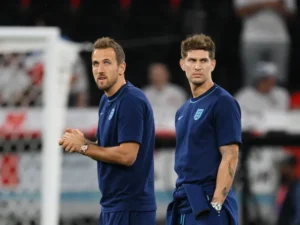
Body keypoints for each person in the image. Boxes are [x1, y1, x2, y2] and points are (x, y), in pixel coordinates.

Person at [58, 37, 156, 225]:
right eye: (95, 64)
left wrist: (84, 148)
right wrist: (84, 142)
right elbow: (107, 149)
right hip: (112, 206)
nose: (100, 69)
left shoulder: (130, 101)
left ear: (121, 67)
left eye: (107, 63)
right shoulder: (106, 100)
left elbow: (127, 155)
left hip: (131, 209)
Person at [166, 34, 242, 225]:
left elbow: (230, 155)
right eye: (192, 60)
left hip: (208, 201)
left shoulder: (223, 102)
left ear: (213, 64)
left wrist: (217, 203)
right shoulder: (182, 111)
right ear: (182, 64)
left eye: (203, 60)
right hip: (184, 200)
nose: (197, 66)